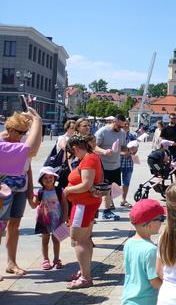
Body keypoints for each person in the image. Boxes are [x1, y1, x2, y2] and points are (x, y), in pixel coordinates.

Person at [1, 111, 38, 277]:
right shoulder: (2, 144)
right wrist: (38, 121)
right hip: (2, 192)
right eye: (21, 132)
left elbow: (28, 167)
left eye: (26, 132)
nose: (24, 136)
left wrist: (30, 193)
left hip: (20, 189)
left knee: (14, 226)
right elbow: (32, 150)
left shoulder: (21, 140)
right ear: (10, 130)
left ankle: (11, 262)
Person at [64, 133, 104, 289]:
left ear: (75, 148)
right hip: (84, 204)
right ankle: (84, 272)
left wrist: (67, 190)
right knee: (85, 239)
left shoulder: (88, 160)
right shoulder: (91, 157)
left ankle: (85, 277)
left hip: (83, 204)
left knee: (78, 240)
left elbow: (86, 185)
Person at [122, 199, 164, 305]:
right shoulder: (150, 250)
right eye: (160, 219)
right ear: (149, 224)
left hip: (129, 302)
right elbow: (154, 281)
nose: (162, 222)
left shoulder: (129, 244)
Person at [29, 166, 67, 271]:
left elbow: (64, 204)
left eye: (51, 177)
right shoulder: (40, 192)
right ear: (41, 180)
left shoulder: (60, 190)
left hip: (57, 218)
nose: (48, 180)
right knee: (45, 240)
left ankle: (56, 259)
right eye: (45, 178)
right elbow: (33, 205)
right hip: (44, 219)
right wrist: (29, 196)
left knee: (56, 239)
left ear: (54, 178)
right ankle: (45, 260)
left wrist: (65, 216)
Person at [94, 114, 128, 221]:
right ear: (114, 121)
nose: (120, 129)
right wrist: (104, 151)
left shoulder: (122, 133)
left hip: (115, 165)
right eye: (118, 126)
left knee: (111, 190)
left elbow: (123, 146)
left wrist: (128, 149)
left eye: (122, 126)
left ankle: (107, 211)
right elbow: (93, 146)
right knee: (100, 190)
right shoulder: (102, 131)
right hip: (103, 165)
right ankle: (95, 210)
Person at [119, 121, 138, 208]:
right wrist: (123, 152)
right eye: (125, 124)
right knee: (114, 183)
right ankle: (110, 201)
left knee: (126, 182)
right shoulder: (118, 135)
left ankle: (123, 199)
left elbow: (136, 147)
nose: (126, 126)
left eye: (127, 124)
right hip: (118, 161)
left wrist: (133, 152)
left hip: (129, 162)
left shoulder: (132, 136)